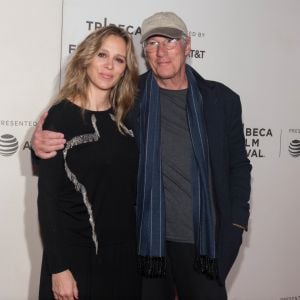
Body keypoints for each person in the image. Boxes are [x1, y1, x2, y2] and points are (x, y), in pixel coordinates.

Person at [33, 12, 252, 300]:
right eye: (152, 43)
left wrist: (236, 226)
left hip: (202, 245)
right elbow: (85, 146)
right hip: (147, 247)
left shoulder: (221, 100)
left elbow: (238, 165)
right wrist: (40, 147)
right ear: (144, 52)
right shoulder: (129, 97)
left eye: (170, 41)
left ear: (188, 47)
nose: (161, 52)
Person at [36, 25, 141, 300]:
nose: (109, 66)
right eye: (102, 55)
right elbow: (47, 200)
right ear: (86, 58)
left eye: (119, 60)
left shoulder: (127, 120)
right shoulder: (61, 117)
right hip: (74, 258)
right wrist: (58, 269)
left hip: (123, 260)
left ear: (125, 69)